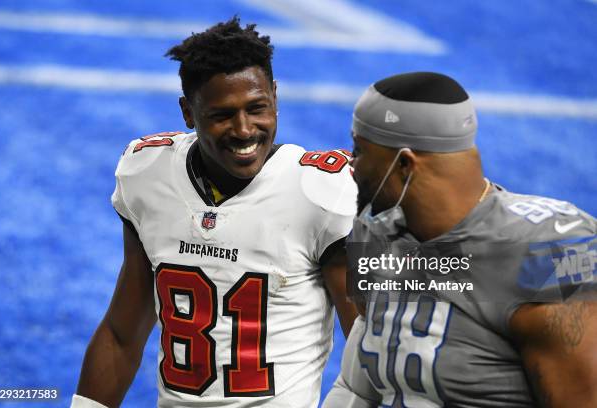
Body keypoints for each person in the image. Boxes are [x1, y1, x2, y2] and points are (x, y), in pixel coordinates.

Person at [72, 17, 358, 408]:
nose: (244, 130)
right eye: (222, 115)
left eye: (257, 108)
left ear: (274, 95)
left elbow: (368, 349)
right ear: (188, 113)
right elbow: (123, 334)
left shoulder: (319, 191)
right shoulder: (149, 172)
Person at [322, 72, 597, 407]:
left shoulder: (543, 254)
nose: (352, 165)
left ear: (405, 163)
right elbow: (356, 385)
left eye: (359, 150)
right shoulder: (374, 233)